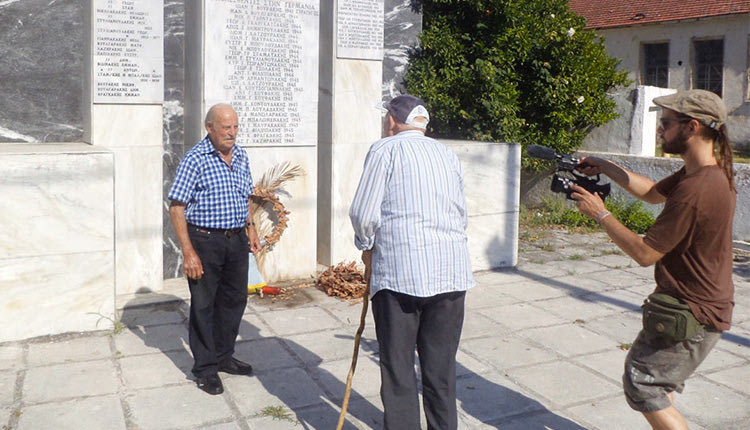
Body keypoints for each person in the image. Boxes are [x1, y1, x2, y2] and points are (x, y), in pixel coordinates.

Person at [571, 89, 735, 430]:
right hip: (699, 304)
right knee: (660, 383)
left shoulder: (697, 189)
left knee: (642, 384)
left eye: (666, 123)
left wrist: (600, 215)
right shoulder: (703, 173)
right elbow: (650, 193)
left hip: (693, 312)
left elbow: (645, 253)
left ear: (691, 127)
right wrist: (605, 165)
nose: (660, 130)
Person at [349, 94, 475, 429]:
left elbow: (363, 212)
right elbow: (461, 213)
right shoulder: (446, 154)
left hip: (399, 276)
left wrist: (366, 246)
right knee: (441, 369)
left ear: (392, 120)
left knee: (399, 368)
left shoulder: (384, 149)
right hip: (451, 275)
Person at [168, 103, 262, 395]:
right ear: (210, 128)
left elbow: (245, 195)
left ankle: (223, 356)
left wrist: (251, 228)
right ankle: (205, 369)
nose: (232, 133)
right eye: (225, 128)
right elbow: (176, 207)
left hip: (236, 240)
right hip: (205, 241)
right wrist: (188, 252)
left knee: (234, 301)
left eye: (235, 127)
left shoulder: (242, 155)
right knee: (204, 306)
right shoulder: (195, 159)